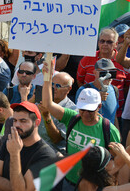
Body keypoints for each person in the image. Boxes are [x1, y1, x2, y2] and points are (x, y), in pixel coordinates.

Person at [42, 61, 121, 189]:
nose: (85, 113)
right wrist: (47, 79)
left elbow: (117, 160)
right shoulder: (72, 118)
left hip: (93, 186)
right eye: (82, 109)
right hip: (68, 181)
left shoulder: (108, 130)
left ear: (99, 107)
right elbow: (48, 104)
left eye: (90, 110)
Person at [0, 101, 58, 191]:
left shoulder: (46, 156)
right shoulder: (10, 141)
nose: (17, 125)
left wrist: (14, 154)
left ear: (36, 123)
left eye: (23, 121)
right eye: (15, 120)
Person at [78, 28, 130, 119]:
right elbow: (80, 81)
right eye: (102, 41)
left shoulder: (123, 63)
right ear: (98, 43)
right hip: (89, 113)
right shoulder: (87, 59)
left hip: (115, 113)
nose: (105, 44)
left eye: (109, 42)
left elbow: (126, 87)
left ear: (116, 44)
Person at [76, 58, 118, 125]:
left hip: (108, 133)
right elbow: (79, 114)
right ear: (95, 73)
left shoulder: (114, 90)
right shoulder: (84, 91)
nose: (108, 76)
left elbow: (114, 116)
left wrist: (118, 134)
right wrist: (95, 99)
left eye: (111, 73)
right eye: (103, 73)